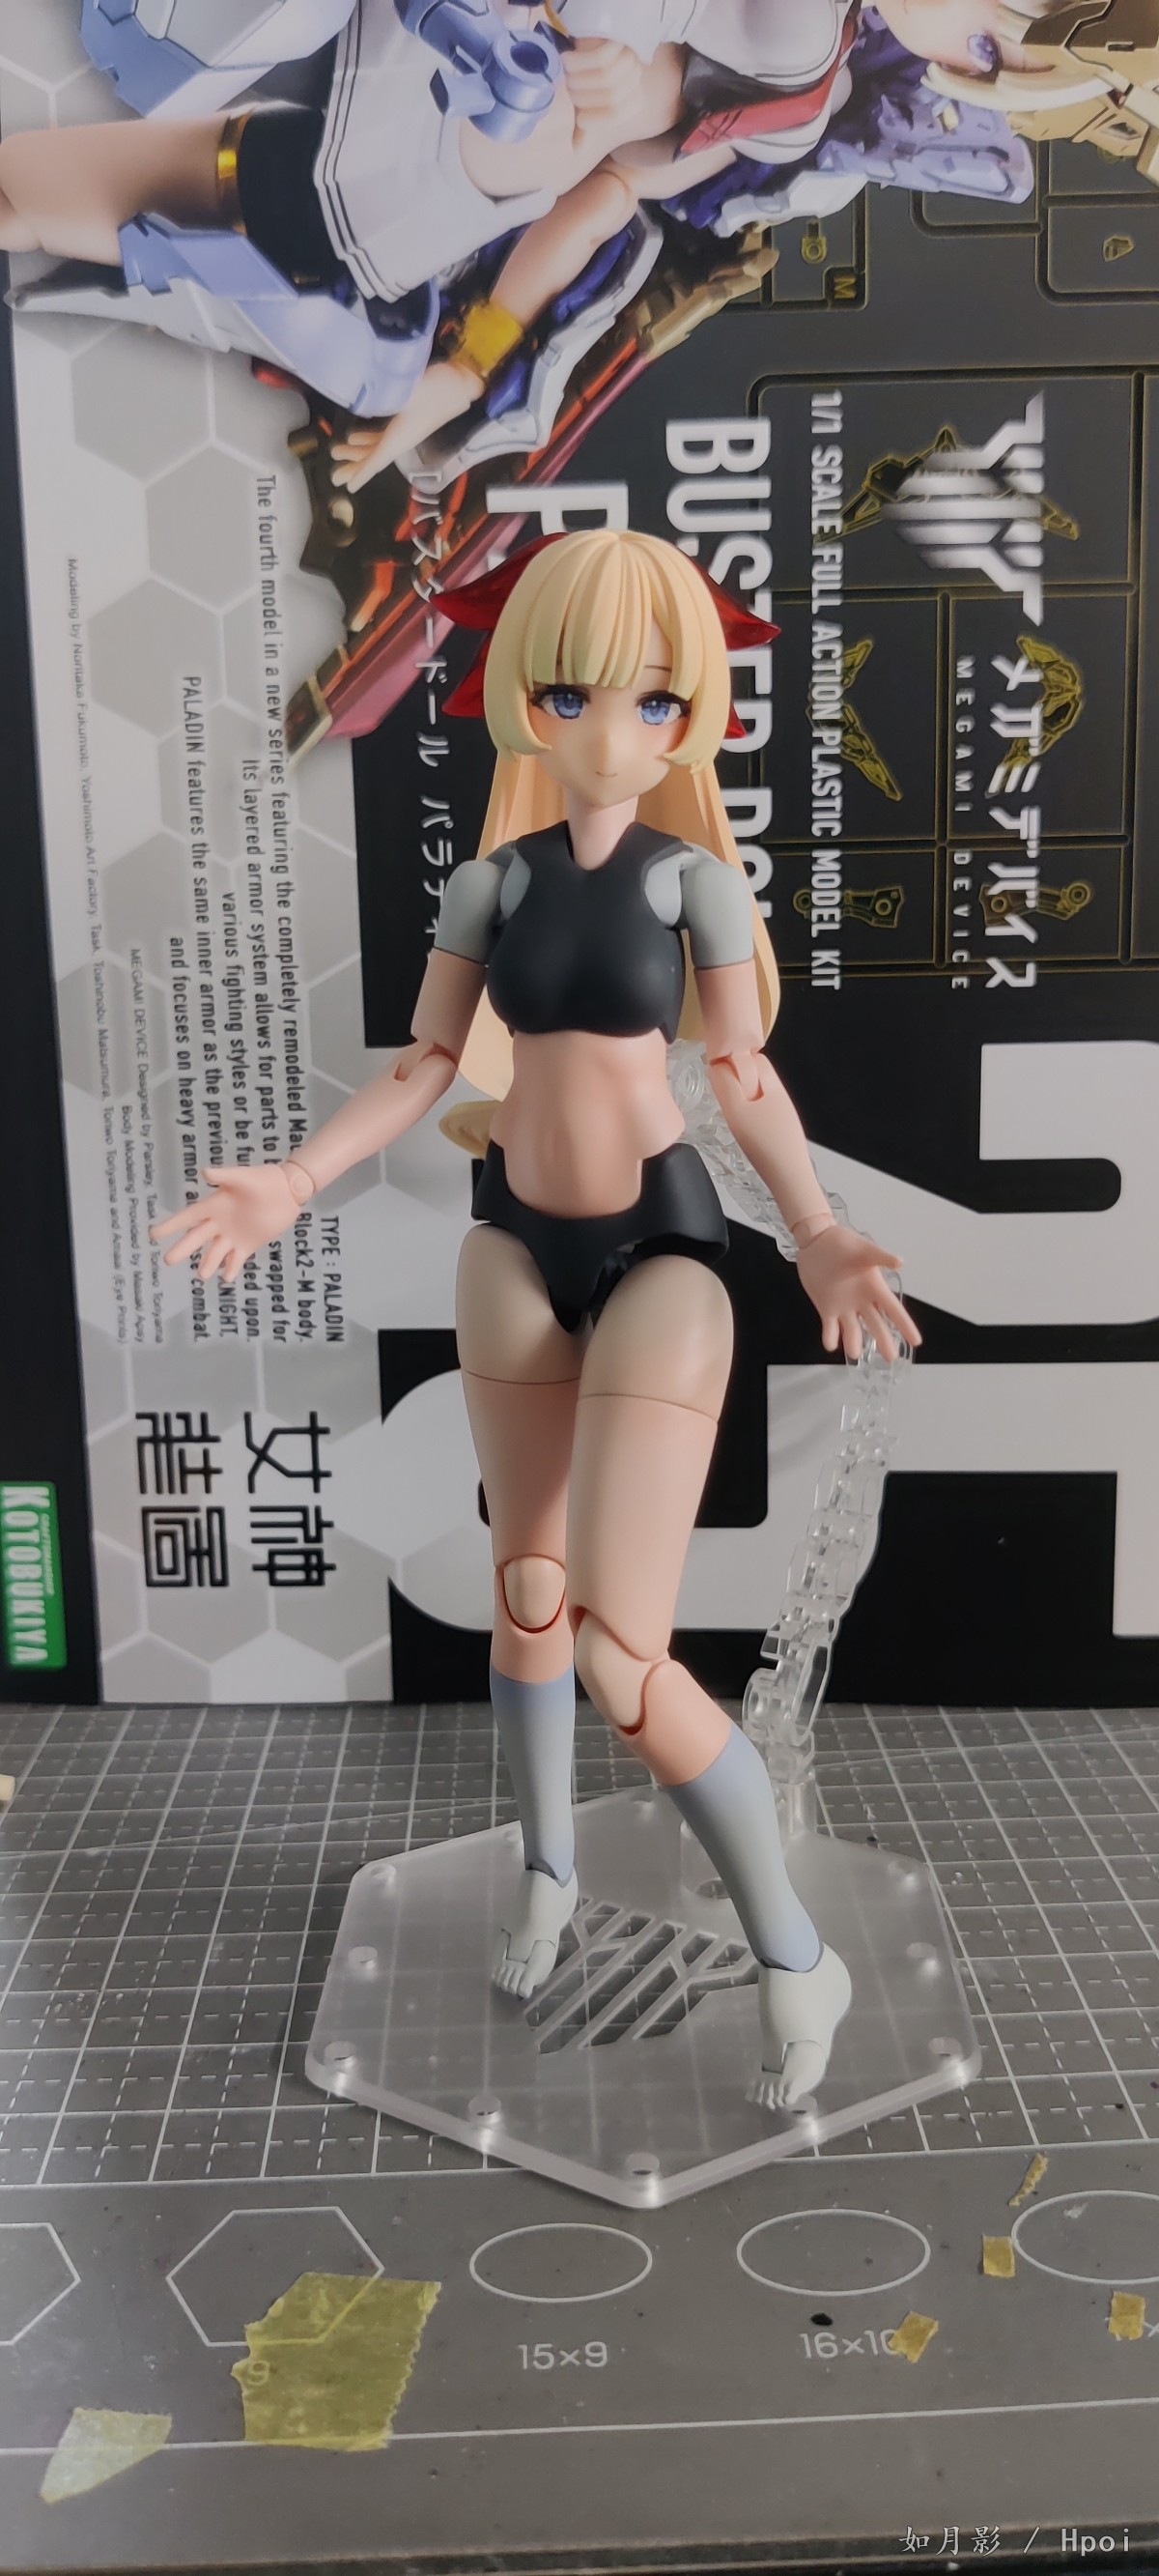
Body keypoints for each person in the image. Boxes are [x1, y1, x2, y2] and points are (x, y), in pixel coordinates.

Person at [153, 528, 920, 2109]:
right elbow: (430, 1066)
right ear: (520, 696)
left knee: (623, 1654)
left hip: (660, 1253)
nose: (610, 730)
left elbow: (741, 1075)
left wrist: (821, 1232)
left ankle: (795, 1952)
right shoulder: (491, 882)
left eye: (653, 699)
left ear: (692, 712)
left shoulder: (695, 882)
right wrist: (293, 1180)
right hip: (513, 1247)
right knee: (525, 1592)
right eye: (571, 693)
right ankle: (549, 1871)